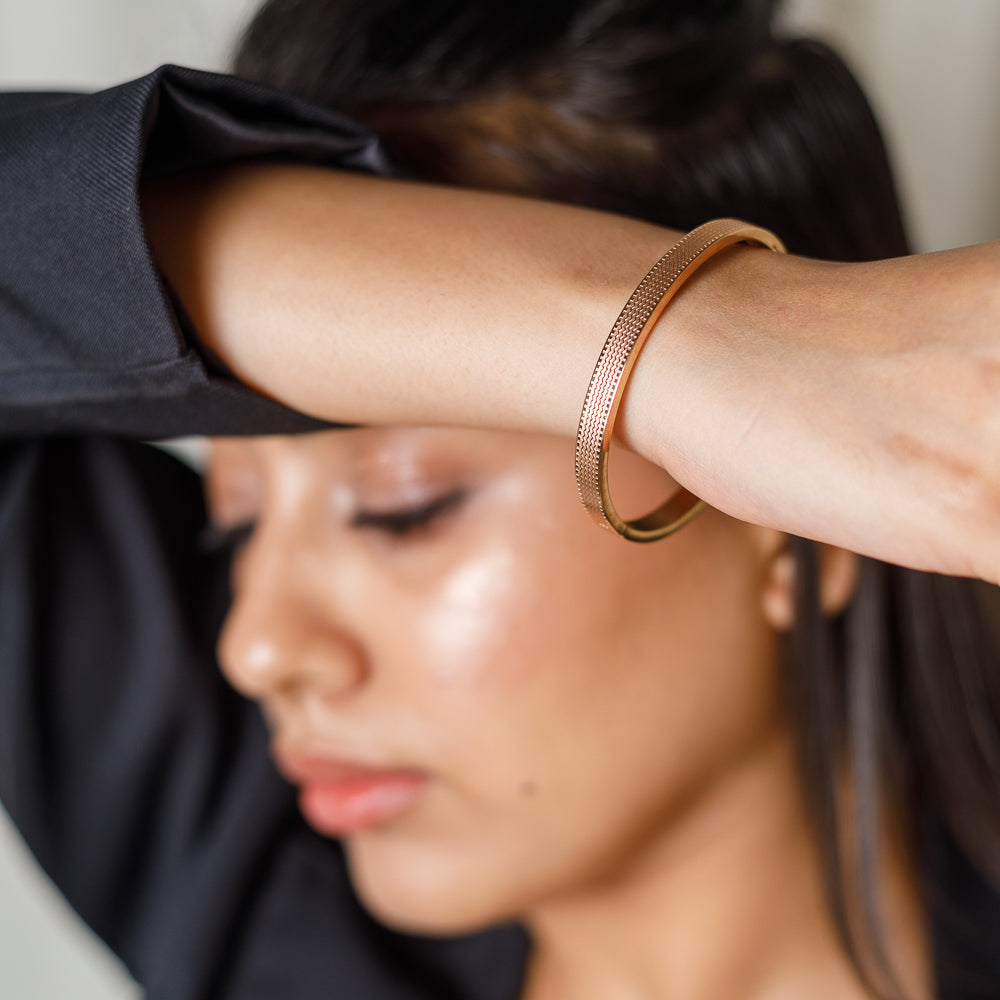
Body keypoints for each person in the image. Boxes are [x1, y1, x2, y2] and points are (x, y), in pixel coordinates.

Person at [1, 2, 998, 1000]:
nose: (256, 647)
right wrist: (698, 337)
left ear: (792, 515)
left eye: (403, 508)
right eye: (235, 522)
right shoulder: (245, 884)